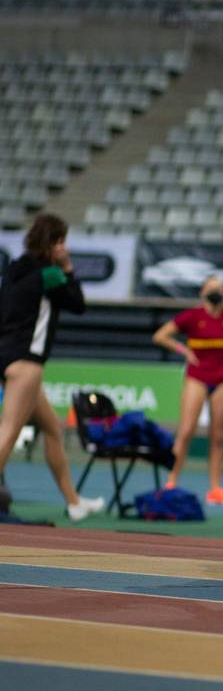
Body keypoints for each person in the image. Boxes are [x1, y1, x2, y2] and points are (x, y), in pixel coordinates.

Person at [0, 213, 103, 521]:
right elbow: (78, 304)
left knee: (52, 429)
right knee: (8, 430)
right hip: (27, 362)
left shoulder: (15, 267)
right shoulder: (51, 274)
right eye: (62, 241)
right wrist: (68, 267)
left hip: (6, 355)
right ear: (56, 242)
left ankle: (73, 502)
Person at [154, 275, 223, 505]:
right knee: (185, 432)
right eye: (211, 287)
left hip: (221, 380)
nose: (216, 290)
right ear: (202, 292)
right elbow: (160, 335)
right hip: (196, 378)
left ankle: (215, 489)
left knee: (217, 436)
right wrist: (183, 350)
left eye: (220, 287)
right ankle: (171, 482)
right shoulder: (192, 317)